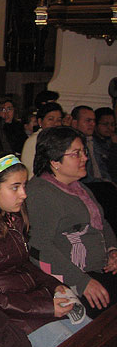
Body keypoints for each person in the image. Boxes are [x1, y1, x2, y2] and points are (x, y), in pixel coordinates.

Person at [0, 152, 90, 347]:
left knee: (93, 336)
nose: (24, 194)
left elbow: (25, 264)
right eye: (15, 187)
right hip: (3, 319)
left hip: (28, 304)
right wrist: (46, 308)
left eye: (24, 185)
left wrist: (54, 286)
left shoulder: (10, 220)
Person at [27, 126, 117, 319]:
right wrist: (82, 282)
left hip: (100, 270)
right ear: (54, 161)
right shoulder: (41, 193)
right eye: (76, 154)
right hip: (73, 279)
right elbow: (38, 247)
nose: (85, 158)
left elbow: (102, 223)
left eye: (84, 152)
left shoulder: (78, 187)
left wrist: (112, 250)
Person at [21, 102, 63, 179]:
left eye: (59, 120)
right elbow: (29, 172)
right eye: (51, 119)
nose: (55, 123)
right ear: (40, 122)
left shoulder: (59, 140)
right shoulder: (34, 141)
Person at [93, 107, 117, 182]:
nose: (110, 128)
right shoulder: (92, 143)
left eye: (112, 124)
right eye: (105, 124)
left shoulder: (112, 140)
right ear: (95, 125)